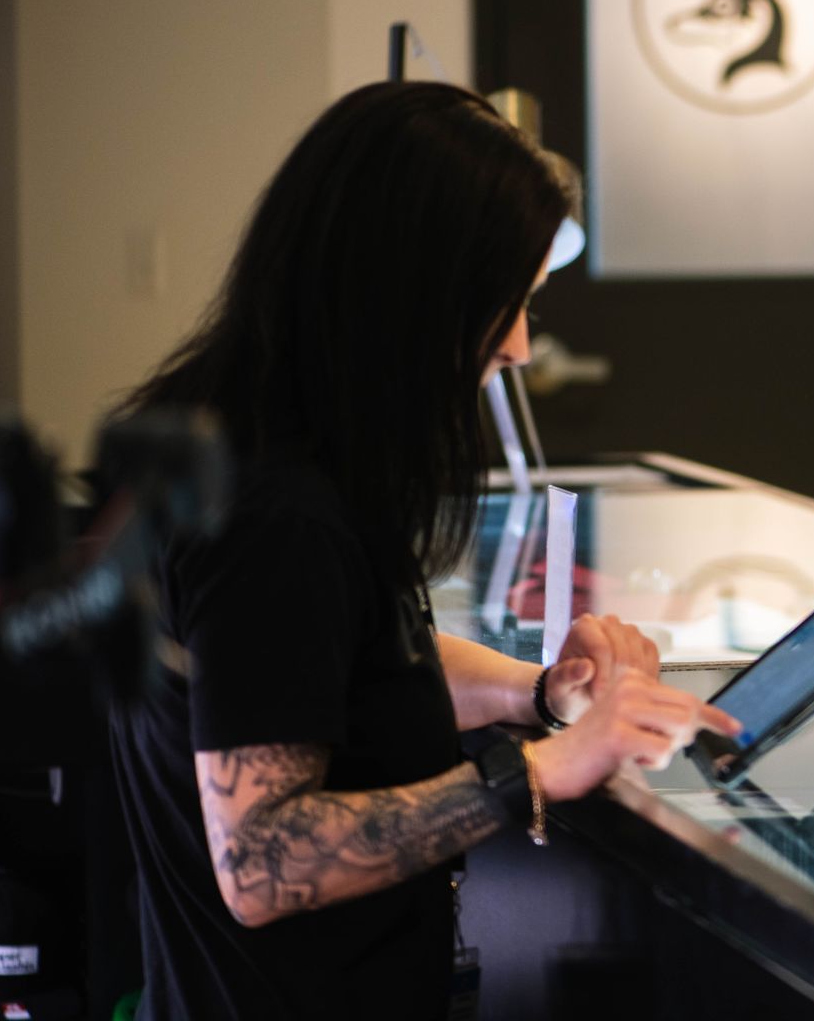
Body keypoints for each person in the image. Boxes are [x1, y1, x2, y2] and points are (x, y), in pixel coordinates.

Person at [106, 82, 740, 1019]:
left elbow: (341, 669)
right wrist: (535, 770)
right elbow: (261, 858)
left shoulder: (272, 448)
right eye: (506, 304)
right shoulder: (274, 515)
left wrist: (538, 692)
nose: (522, 346)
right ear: (410, 295)